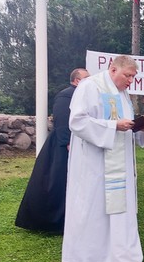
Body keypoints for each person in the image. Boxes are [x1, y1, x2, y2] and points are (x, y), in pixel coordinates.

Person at [62, 55, 144, 262]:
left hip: (120, 162)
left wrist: (139, 129)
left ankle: (119, 253)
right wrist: (112, 126)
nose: (130, 81)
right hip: (94, 162)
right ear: (113, 69)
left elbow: (124, 124)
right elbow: (77, 122)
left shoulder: (122, 93)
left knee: (119, 205)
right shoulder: (90, 86)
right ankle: (91, 257)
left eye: (133, 77)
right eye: (127, 75)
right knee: (94, 206)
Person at [15, 68, 90, 234]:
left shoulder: (83, 95)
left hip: (76, 142)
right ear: (76, 81)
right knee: (57, 181)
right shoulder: (66, 95)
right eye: (86, 78)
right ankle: (51, 222)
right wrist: (67, 143)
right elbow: (62, 121)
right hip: (64, 146)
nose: (89, 80)